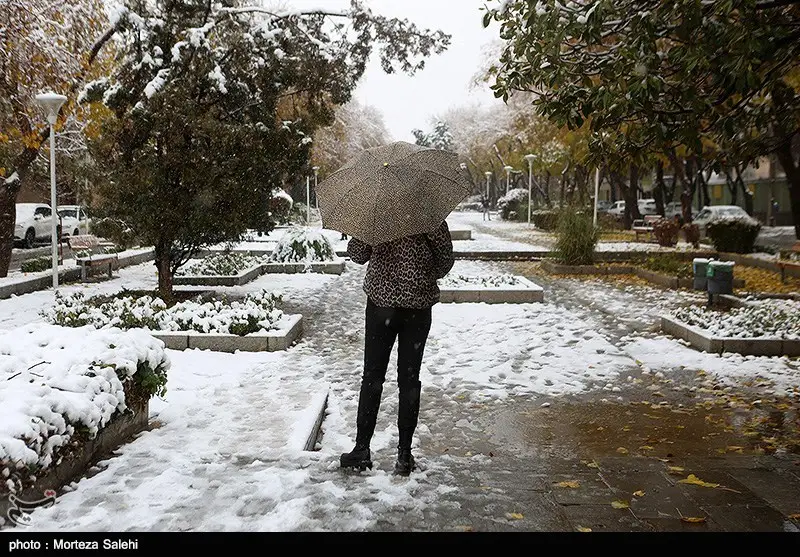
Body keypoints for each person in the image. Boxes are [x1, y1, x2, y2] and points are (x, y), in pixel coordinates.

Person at [340, 220, 454, 476]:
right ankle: (404, 453)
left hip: (381, 306)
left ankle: (361, 449)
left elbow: (357, 254)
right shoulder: (429, 214)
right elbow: (445, 261)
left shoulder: (378, 213)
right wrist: (420, 272)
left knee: (372, 377)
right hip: (418, 307)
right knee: (410, 379)